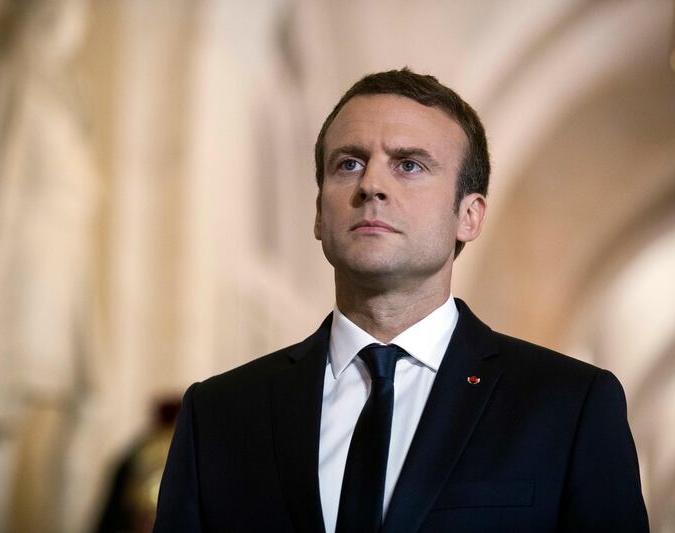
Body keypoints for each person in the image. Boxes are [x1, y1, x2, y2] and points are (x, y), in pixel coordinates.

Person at [153, 68, 648, 532]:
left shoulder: (568, 407)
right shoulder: (217, 417)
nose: (371, 185)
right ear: (319, 214)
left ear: (469, 216)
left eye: (409, 165)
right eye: (348, 163)